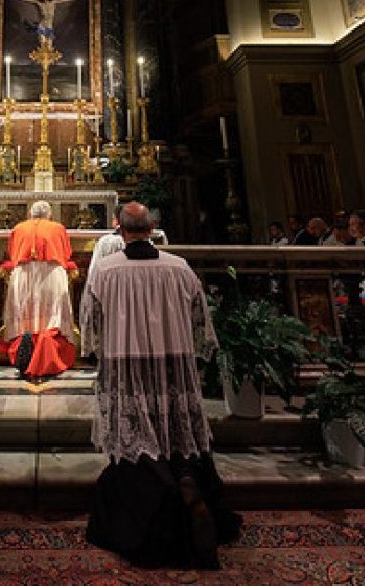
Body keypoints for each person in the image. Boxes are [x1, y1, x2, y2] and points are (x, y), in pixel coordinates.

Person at [81, 202, 241, 569]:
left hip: (126, 363)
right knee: (175, 430)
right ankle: (186, 480)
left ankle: (152, 503)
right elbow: (200, 318)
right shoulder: (179, 267)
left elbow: (90, 322)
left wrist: (97, 351)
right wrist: (193, 349)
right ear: (152, 229)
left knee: (136, 435)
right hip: (173, 362)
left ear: (120, 229)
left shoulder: (105, 270)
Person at [0, 200, 78, 378]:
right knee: (51, 314)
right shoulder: (58, 228)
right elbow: (66, 253)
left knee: (25, 312)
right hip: (51, 273)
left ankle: (25, 347)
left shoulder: (19, 228)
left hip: (24, 274)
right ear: (49, 215)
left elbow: (12, 253)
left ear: (30, 214)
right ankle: (46, 351)